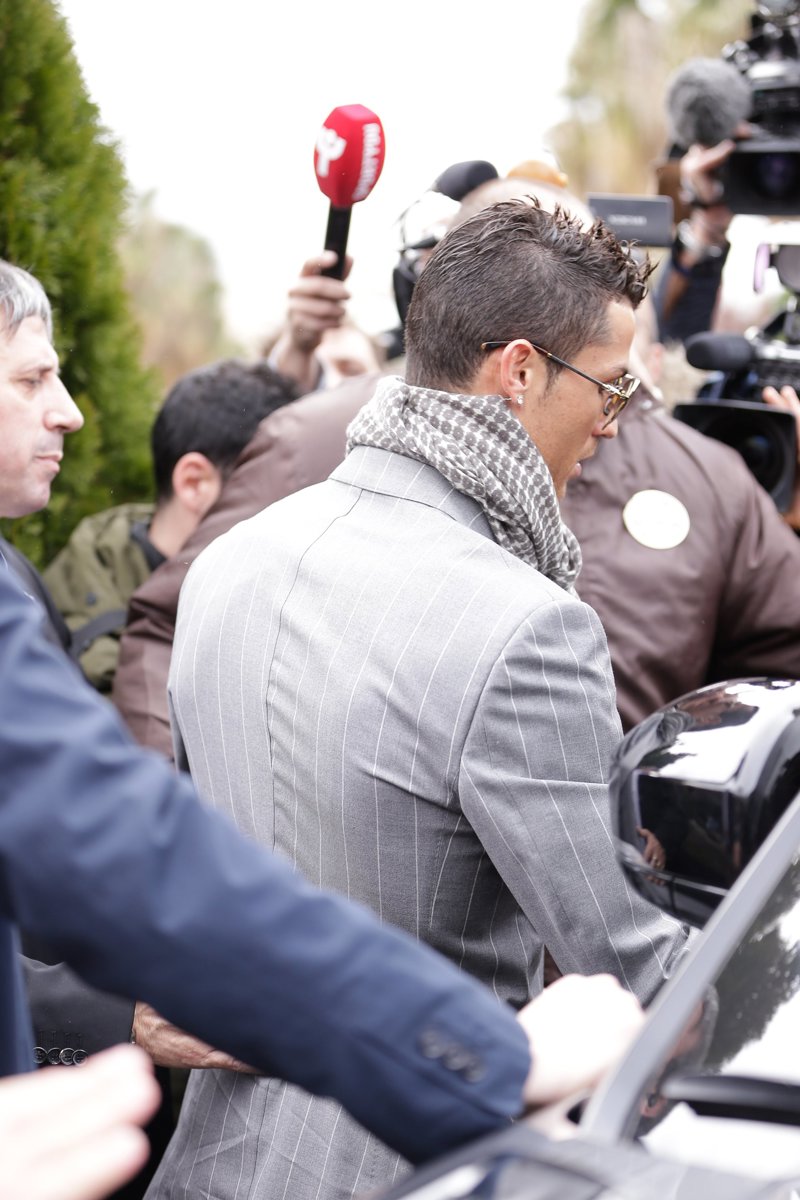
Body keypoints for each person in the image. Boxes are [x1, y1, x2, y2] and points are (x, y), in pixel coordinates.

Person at [149, 199, 690, 1200]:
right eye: (609, 388)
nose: (613, 425)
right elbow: (630, 961)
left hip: (208, 1165)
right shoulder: (529, 627)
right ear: (518, 371)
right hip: (417, 1164)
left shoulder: (228, 563)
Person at [0, 564, 645, 1188]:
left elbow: (97, 827)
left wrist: (470, 1054)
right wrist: (488, 1058)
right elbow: (109, 830)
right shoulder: (527, 622)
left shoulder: (228, 562)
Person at [42, 359, 299, 692]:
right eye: (279, 489)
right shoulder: (81, 649)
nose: (297, 511)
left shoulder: (266, 598)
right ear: (194, 484)